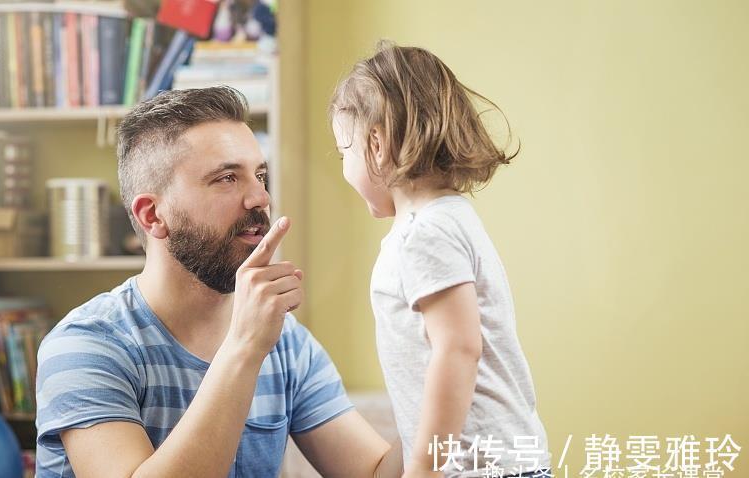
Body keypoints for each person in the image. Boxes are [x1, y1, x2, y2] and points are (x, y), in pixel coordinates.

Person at [35, 86, 402, 478]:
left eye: (260, 175)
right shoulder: (85, 345)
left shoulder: (287, 344)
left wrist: (448, 381)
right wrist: (244, 346)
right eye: (227, 178)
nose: (260, 198)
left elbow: (376, 472)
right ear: (152, 215)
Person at [329, 42, 553, 478]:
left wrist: (424, 466)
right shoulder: (451, 218)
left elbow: (458, 348)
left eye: (344, 152)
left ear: (376, 144)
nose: (343, 168)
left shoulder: (422, 235)